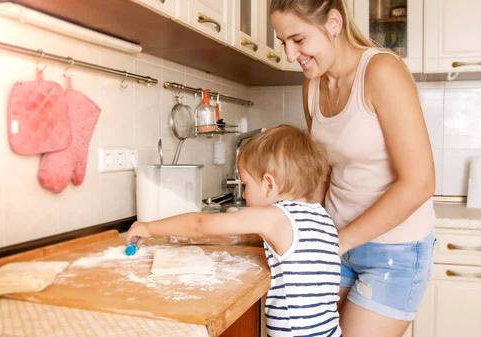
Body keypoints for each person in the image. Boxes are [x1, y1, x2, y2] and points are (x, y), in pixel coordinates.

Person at [270, 1, 437, 337]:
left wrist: (336, 242)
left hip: (395, 248)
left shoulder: (382, 72)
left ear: (333, 22)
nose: (290, 55)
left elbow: (419, 183)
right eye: (282, 42)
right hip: (338, 240)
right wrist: (305, 228)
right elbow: (324, 172)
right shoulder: (312, 87)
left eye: (298, 40)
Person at [127, 125, 343, 337]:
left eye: (246, 184)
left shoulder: (276, 217)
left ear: (269, 184)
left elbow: (200, 224)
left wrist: (148, 227)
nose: (245, 194)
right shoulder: (322, 216)